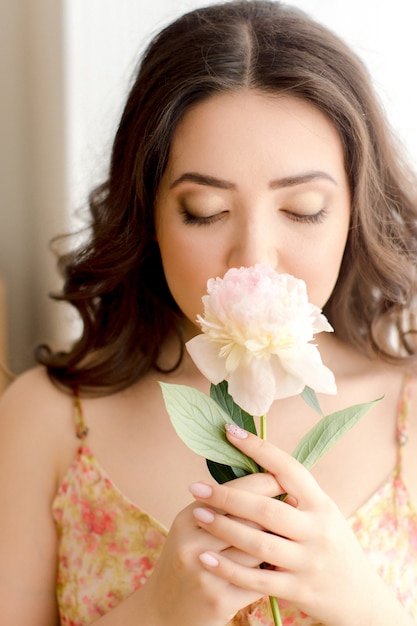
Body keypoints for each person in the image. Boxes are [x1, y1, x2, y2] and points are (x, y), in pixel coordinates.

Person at [0, 1, 416, 624]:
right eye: (204, 210)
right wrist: (157, 612)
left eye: (303, 208)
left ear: (355, 212)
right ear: (151, 218)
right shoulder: (49, 421)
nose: (255, 258)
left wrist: (358, 602)